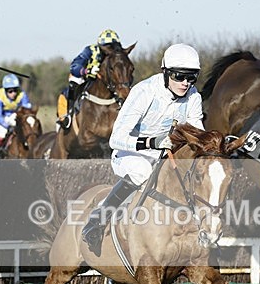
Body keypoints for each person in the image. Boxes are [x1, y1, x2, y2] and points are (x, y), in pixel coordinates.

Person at [81, 43, 203, 254]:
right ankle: (98, 219)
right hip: (130, 154)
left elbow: (198, 134)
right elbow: (116, 139)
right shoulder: (144, 92)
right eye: (179, 76)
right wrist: (151, 142)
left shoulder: (194, 97)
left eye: (191, 77)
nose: (185, 83)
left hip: (165, 155)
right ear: (165, 72)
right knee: (143, 170)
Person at [56, 29, 121, 130]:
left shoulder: (117, 56)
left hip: (107, 82)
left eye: (113, 47)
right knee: (73, 83)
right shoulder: (90, 50)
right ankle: (67, 114)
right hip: (86, 78)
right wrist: (86, 71)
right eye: (108, 47)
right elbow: (75, 66)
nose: (110, 51)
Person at [0, 73, 32, 147]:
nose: (14, 93)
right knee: (2, 133)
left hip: (14, 115)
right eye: (10, 91)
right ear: (5, 90)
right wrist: (7, 125)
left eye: (15, 90)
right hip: (1, 117)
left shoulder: (22, 94)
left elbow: (27, 109)